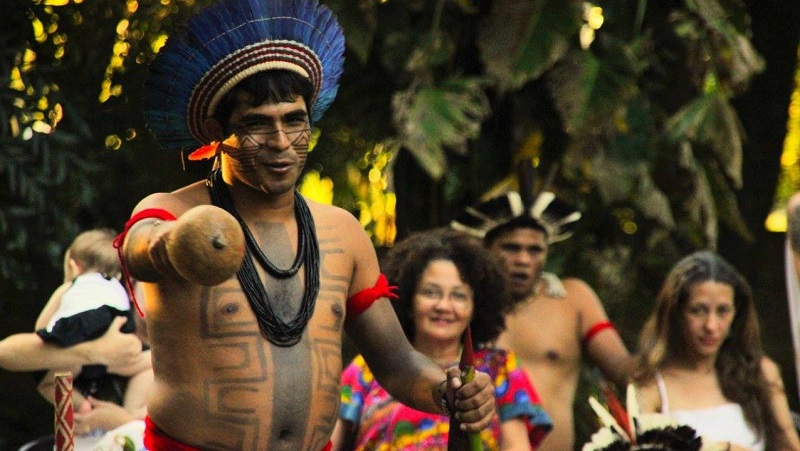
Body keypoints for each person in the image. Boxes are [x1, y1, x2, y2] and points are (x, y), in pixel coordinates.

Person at [113, 1, 496, 450]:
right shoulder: (172, 212)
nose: (281, 142)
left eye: (294, 120)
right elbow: (139, 248)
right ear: (218, 131)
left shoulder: (342, 232)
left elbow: (397, 363)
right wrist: (172, 242)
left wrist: (448, 392)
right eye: (257, 124)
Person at [451, 166, 632, 451]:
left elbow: (625, 371)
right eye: (511, 248)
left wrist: (666, 349)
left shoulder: (573, 299)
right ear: (486, 248)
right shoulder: (459, 305)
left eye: (534, 250)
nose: (523, 259)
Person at [332, 228, 552, 450]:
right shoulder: (368, 367)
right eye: (431, 292)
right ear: (408, 301)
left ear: (475, 308)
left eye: (458, 295)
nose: (444, 306)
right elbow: (329, 441)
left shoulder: (499, 367)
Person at [632, 250, 800, 450]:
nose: (711, 325)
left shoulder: (760, 372)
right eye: (698, 310)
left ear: (737, 313)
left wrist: (729, 449)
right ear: (676, 313)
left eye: (723, 311)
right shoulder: (653, 384)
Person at [34, 229, 152, 425]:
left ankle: (83, 407)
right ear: (130, 285)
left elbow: (41, 331)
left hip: (87, 360)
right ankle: (85, 410)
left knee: (49, 382)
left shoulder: (70, 289)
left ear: (73, 267)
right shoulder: (115, 298)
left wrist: (122, 420)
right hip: (95, 360)